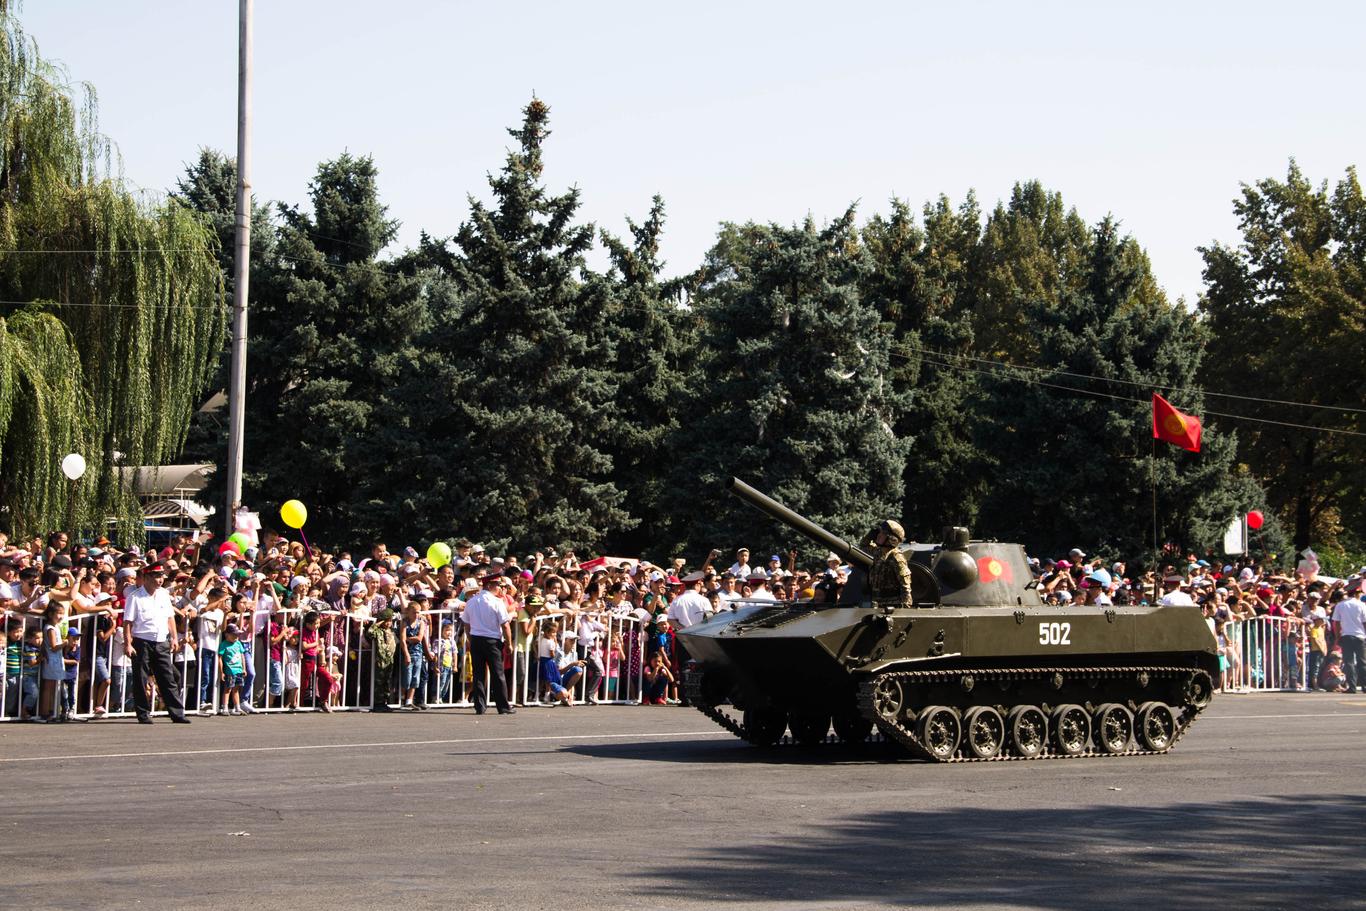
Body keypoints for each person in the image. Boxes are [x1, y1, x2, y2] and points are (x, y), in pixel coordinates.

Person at [122, 562, 190, 724]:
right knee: (141, 678)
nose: (159, 580)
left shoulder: (163, 595)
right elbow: (128, 622)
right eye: (156, 576)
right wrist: (128, 643)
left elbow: (169, 617)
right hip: (142, 641)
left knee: (167, 677)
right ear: (146, 577)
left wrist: (174, 637)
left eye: (161, 577)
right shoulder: (135, 597)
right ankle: (143, 713)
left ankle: (176, 712)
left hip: (161, 641)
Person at [462, 569, 515, 715]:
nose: (500, 588)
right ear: (490, 585)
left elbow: (466, 623)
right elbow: (505, 624)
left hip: (476, 640)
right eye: (498, 585)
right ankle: (503, 706)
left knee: (478, 674)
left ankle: (480, 706)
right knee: (498, 674)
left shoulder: (471, 601)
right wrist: (509, 643)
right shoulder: (497, 602)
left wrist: (471, 638)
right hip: (492, 640)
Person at [867, 519, 912, 611]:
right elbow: (864, 546)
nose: (878, 535)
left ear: (892, 539)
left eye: (883, 533)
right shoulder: (878, 552)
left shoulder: (896, 557)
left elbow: (906, 587)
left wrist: (905, 610)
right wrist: (871, 534)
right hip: (877, 602)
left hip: (893, 605)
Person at [1330, 590, 1366, 693]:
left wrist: (1337, 636)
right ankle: (1365, 686)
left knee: (1349, 662)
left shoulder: (1340, 605)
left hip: (1346, 635)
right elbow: (1365, 622)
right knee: (1362, 662)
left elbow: (1336, 622)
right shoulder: (1362, 605)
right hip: (1360, 636)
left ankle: (1352, 687)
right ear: (1356, 594)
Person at [366, 607, 398, 711]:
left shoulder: (392, 632)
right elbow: (370, 633)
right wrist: (377, 623)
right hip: (380, 660)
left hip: (390, 660)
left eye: (390, 621)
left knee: (387, 682)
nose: (389, 623)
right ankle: (377, 703)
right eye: (386, 621)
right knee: (379, 682)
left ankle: (384, 702)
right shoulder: (379, 631)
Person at [218, 623, 249, 715]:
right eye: (234, 634)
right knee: (228, 689)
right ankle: (225, 707)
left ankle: (237, 707)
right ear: (227, 634)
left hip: (239, 670)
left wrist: (244, 668)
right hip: (230, 670)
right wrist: (221, 672)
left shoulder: (238, 643)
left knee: (236, 689)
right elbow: (220, 658)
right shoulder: (224, 644)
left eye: (237, 634)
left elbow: (242, 656)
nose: (236, 636)